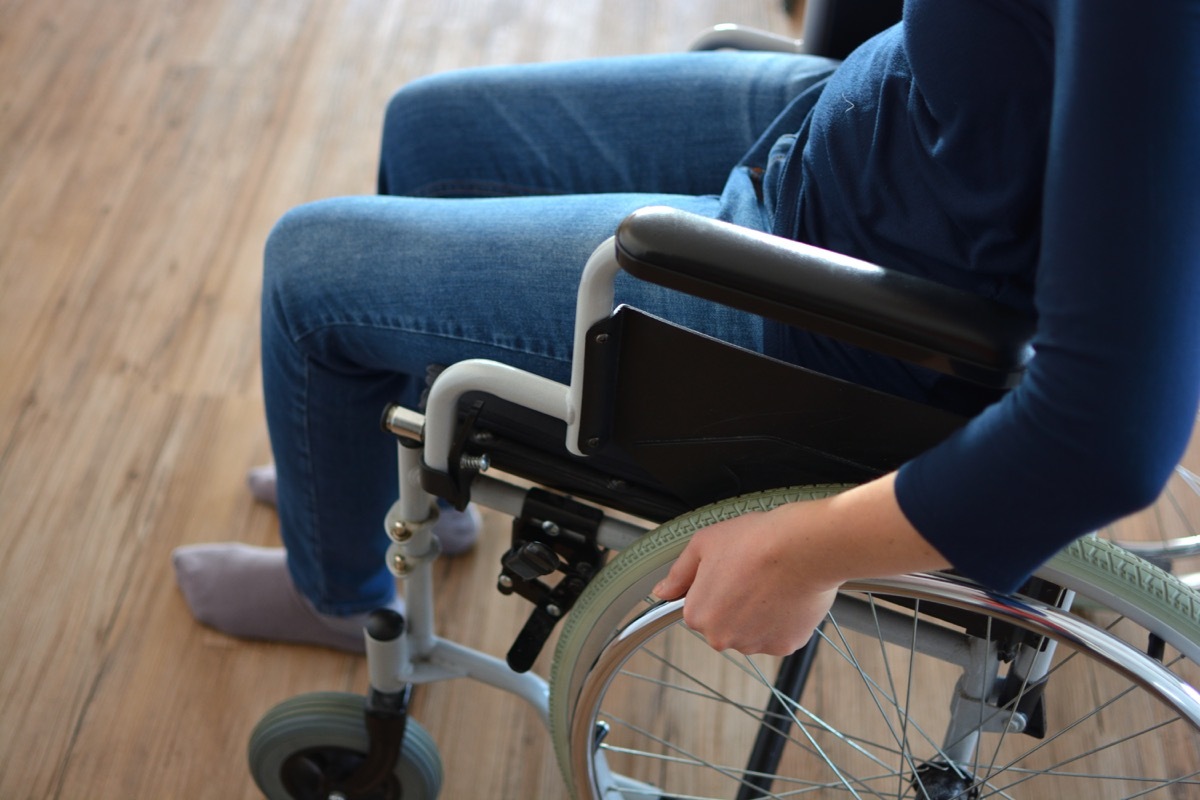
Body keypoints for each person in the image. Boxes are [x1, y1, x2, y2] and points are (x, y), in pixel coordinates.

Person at [174, 0, 1200, 656]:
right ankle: (418, 488)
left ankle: (340, 595)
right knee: (425, 128)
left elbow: (1107, 434)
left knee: (309, 270)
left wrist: (809, 548)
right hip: (858, 129)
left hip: (834, 309)